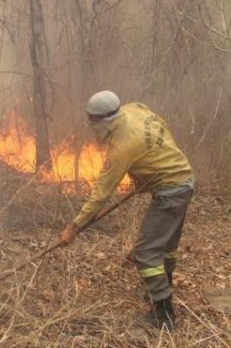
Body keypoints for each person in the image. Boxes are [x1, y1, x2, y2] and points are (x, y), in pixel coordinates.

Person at [59, 90, 195, 330]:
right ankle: (164, 286)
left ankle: (164, 314)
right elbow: (161, 130)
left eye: (94, 122)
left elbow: (101, 194)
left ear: (105, 121)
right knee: (166, 247)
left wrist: (74, 226)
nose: (92, 127)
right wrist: (151, 169)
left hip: (170, 192)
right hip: (184, 179)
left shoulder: (122, 147)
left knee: (145, 252)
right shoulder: (136, 109)